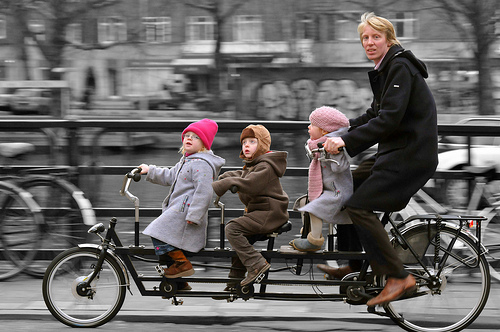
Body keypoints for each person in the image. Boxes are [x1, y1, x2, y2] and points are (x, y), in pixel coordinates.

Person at [321, 12, 438, 307]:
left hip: (410, 156)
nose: (370, 42)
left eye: (376, 37)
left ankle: (398, 277)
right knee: (345, 186)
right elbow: (375, 114)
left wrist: (345, 142)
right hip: (395, 152)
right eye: (365, 38)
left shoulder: (399, 67)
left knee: (360, 207)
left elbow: (388, 120)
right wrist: (339, 130)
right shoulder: (386, 69)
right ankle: (353, 263)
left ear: (388, 39)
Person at [139, 119, 225, 290]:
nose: (189, 139)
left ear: (204, 144)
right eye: (187, 135)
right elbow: (171, 175)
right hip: (178, 211)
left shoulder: (202, 164)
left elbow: (205, 191)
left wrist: (195, 215)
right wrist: (150, 170)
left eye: (195, 137)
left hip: (185, 214)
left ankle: (182, 264)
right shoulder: (187, 160)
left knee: (157, 231)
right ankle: (180, 282)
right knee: (162, 238)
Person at [212, 124, 289, 288]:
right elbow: (243, 174)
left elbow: (250, 183)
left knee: (233, 228)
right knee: (241, 241)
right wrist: (225, 177)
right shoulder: (256, 164)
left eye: (252, 142)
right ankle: (235, 283)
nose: (246, 145)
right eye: (244, 142)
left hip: (270, 213)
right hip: (265, 212)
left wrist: (225, 183)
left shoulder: (266, 166)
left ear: (262, 144)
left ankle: (256, 264)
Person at [289, 106, 353, 252]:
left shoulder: (332, 146)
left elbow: (339, 168)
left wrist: (331, 155)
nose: (308, 127)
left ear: (324, 131)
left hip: (338, 191)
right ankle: (307, 229)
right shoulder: (317, 146)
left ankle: (315, 240)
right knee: (305, 202)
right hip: (329, 189)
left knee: (314, 207)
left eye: (312, 124)